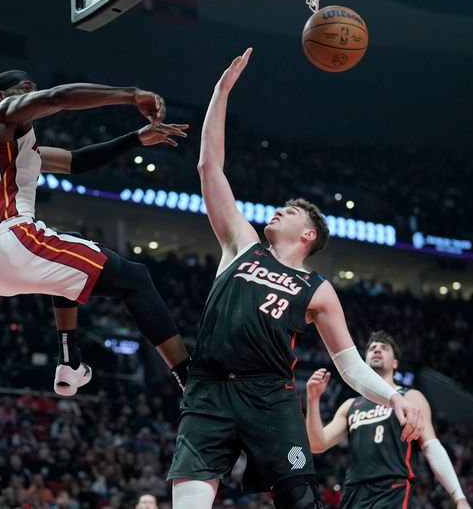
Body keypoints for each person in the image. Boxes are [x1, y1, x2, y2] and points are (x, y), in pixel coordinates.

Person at [167, 48, 423, 509]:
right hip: (208, 391)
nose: (280, 208)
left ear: (308, 233)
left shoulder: (317, 289)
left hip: (269, 396)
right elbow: (209, 168)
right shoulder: (241, 244)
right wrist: (220, 92)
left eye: (292, 209)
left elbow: (349, 365)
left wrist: (392, 397)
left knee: (301, 500)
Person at [0, 70, 191, 395]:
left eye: (32, 90)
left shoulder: (11, 147)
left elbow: (78, 162)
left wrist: (136, 138)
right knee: (135, 279)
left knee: (69, 241)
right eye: (24, 91)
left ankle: (69, 362)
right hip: (11, 240)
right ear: (0, 97)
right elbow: (58, 97)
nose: (32, 96)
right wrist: (131, 93)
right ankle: (192, 382)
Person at [305, 331, 471, 508]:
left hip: (391, 488)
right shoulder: (350, 405)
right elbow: (317, 444)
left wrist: (459, 498)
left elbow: (431, 446)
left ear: (395, 363)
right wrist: (312, 400)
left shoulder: (410, 397)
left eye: (383, 348)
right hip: (354, 492)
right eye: (372, 348)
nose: (376, 350)